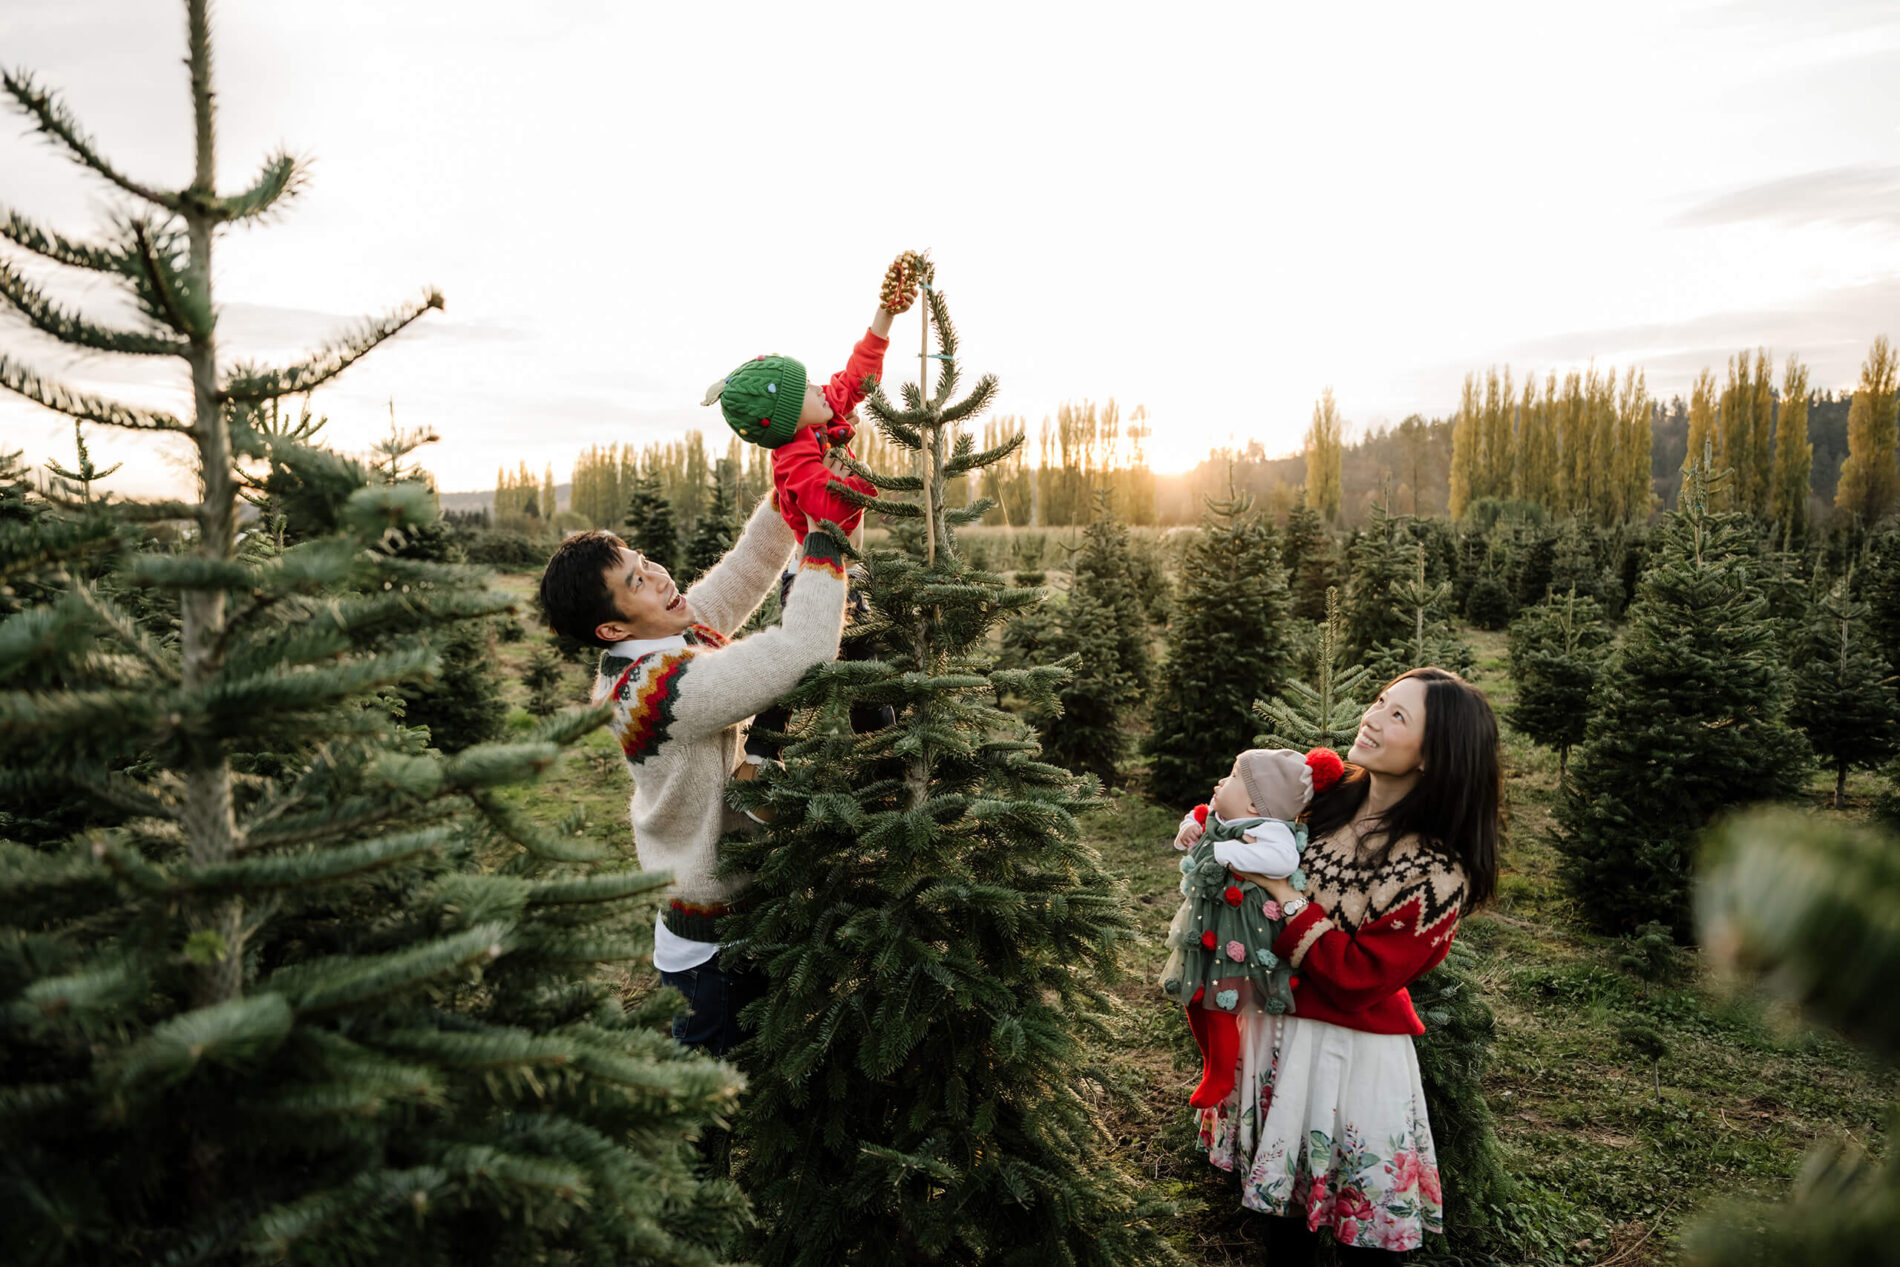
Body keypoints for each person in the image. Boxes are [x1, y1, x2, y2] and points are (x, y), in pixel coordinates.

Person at [537, 443, 870, 1061]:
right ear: (611, 629)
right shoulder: (655, 693)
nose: (658, 575)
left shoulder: (663, 637)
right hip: (712, 946)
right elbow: (801, 655)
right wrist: (825, 540)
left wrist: (799, 481)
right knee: (709, 1102)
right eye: (637, 580)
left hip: (745, 905)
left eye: (644, 560)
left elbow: (747, 567)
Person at [1179, 667, 1501, 1263]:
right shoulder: (1322, 806)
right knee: (1280, 1221)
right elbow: (1239, 813)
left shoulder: (1436, 869)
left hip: (1347, 1057)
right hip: (1276, 1034)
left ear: (1434, 755)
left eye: (1397, 715)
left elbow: (1359, 978)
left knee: (1361, 1241)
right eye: (1380, 701)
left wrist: (1282, 891)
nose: (1372, 717)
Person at [1161, 747, 1344, 1109]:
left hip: (1240, 933)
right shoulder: (1224, 816)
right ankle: (1210, 1061)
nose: (1220, 782)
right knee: (1194, 997)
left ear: (1255, 807)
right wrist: (1189, 828)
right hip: (1206, 923)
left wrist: (1227, 853)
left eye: (1231, 778)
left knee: (1219, 1001)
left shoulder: (1271, 829)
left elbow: (1283, 860)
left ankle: (1222, 1074)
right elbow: (1199, 818)